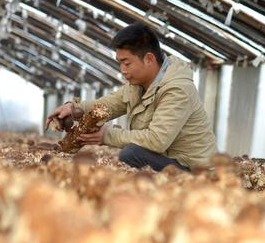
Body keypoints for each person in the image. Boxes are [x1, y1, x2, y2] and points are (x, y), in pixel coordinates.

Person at [45, 22, 217, 171]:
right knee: (132, 153)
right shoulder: (138, 84)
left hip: (194, 170)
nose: (123, 70)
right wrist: (75, 109)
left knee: (132, 154)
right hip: (168, 160)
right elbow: (110, 104)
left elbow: (157, 140)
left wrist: (106, 136)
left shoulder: (177, 89)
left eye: (127, 63)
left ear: (149, 59)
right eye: (120, 63)